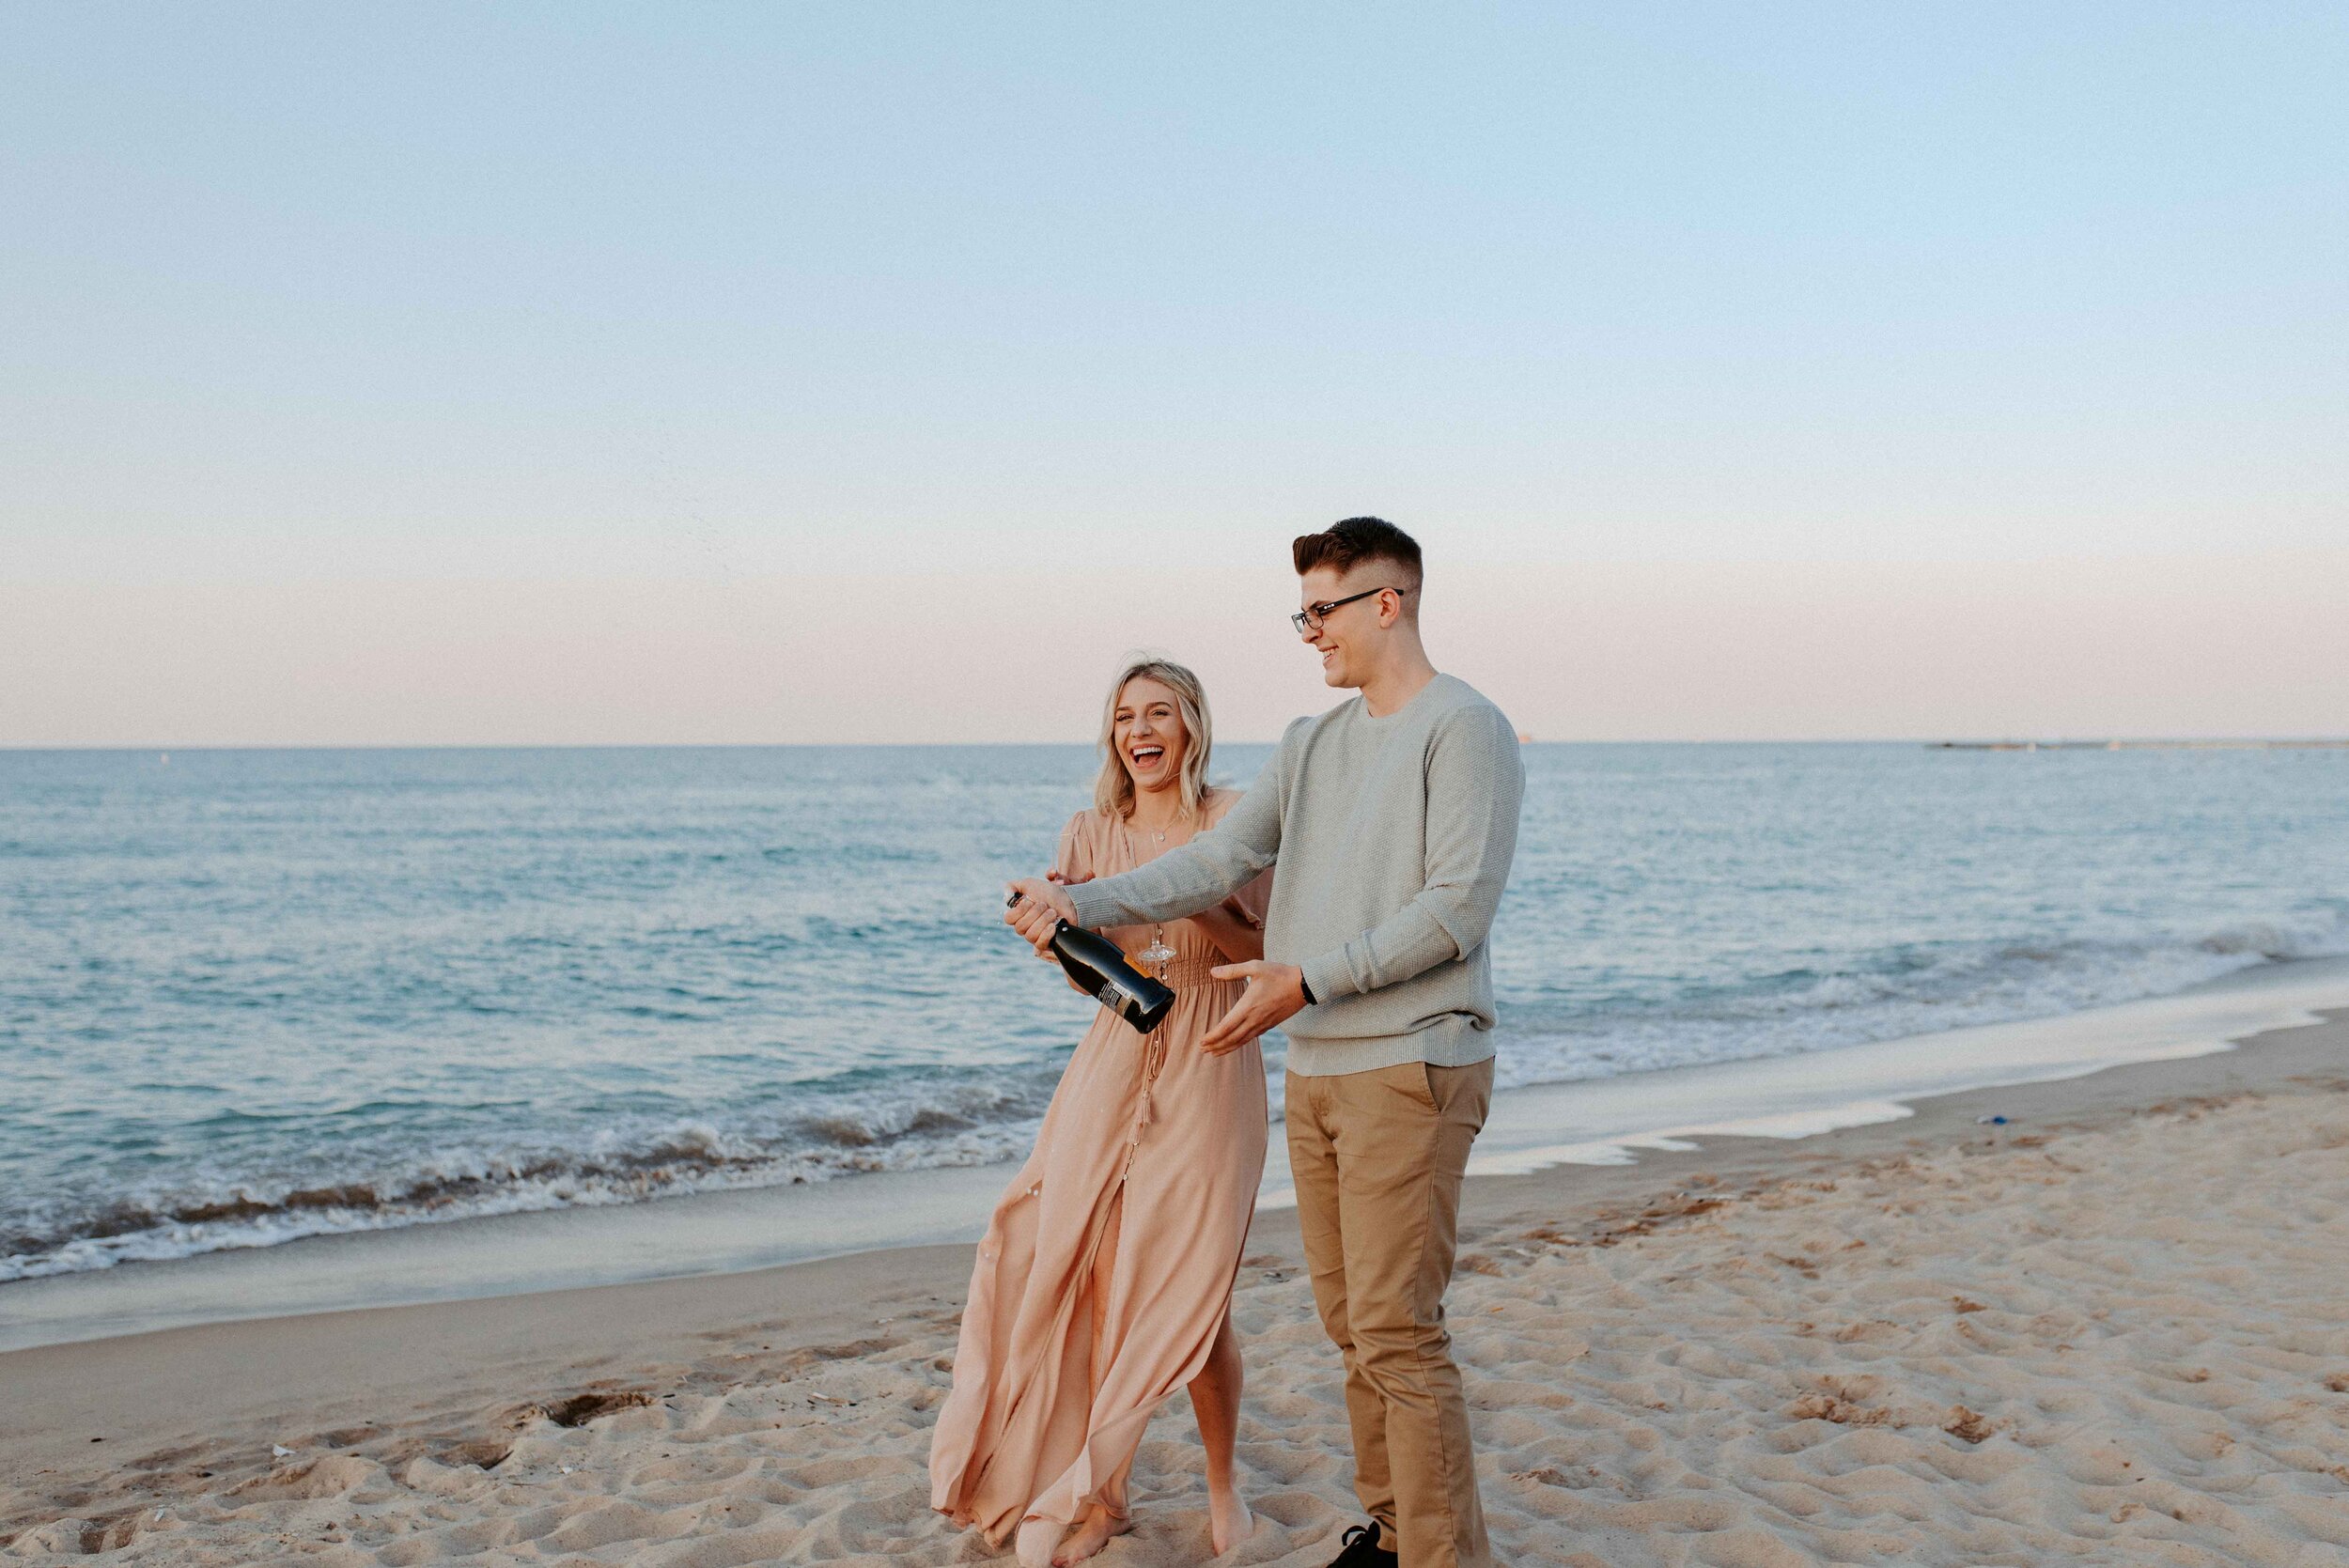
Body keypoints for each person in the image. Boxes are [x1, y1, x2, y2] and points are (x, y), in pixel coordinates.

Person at [1003, 518, 1523, 1568]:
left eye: (1322, 610)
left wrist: (1307, 978)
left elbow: (1454, 911)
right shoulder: (1310, 742)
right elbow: (1210, 862)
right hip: (1320, 1065)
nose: (1308, 633)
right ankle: (1387, 1536)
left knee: (1396, 1331)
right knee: (1351, 1326)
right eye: (1302, 613)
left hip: (1412, 1059)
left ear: (1391, 600)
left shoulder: (1462, 728)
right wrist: (1078, 902)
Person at [932, 658, 1273, 1568]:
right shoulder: (1087, 829)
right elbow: (1096, 975)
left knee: (1194, 1289)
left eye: (1159, 711)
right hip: (1115, 1057)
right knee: (1084, 1265)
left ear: (1191, 724)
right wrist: (1054, 931)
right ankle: (1102, 1492)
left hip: (1213, 1049)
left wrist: (1197, 886)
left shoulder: (1232, 817)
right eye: (1125, 715)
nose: (1140, 729)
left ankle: (1222, 1486)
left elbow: (1267, 948)